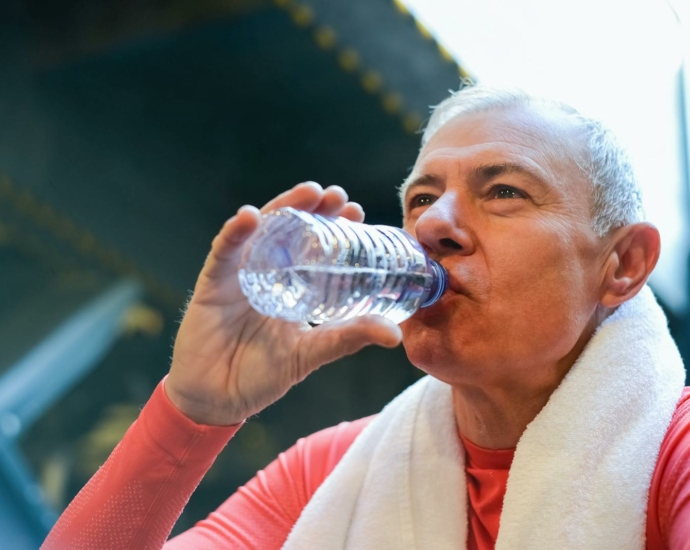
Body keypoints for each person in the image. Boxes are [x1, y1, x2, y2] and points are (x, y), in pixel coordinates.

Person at [42, 85, 690, 549]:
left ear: (623, 264)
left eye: (504, 192)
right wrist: (191, 410)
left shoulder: (672, 457)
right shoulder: (333, 471)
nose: (433, 225)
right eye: (423, 198)